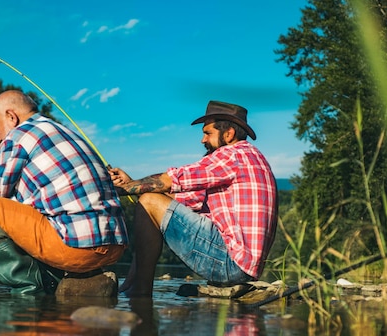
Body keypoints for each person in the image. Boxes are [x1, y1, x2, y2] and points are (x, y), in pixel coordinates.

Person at [0, 90, 128, 294]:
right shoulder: (62, 131)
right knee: (4, 210)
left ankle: (33, 291)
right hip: (116, 244)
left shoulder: (20, 135)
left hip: (77, 246)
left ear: (11, 117)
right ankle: (79, 280)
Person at [110, 101, 278, 297]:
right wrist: (130, 183)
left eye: (207, 133)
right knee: (150, 202)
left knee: (148, 202)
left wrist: (117, 190)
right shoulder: (251, 157)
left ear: (229, 134)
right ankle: (131, 286)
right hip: (244, 268)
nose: (202, 140)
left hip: (231, 263)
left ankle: (139, 294)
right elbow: (180, 200)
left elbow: (169, 180)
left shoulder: (232, 155)